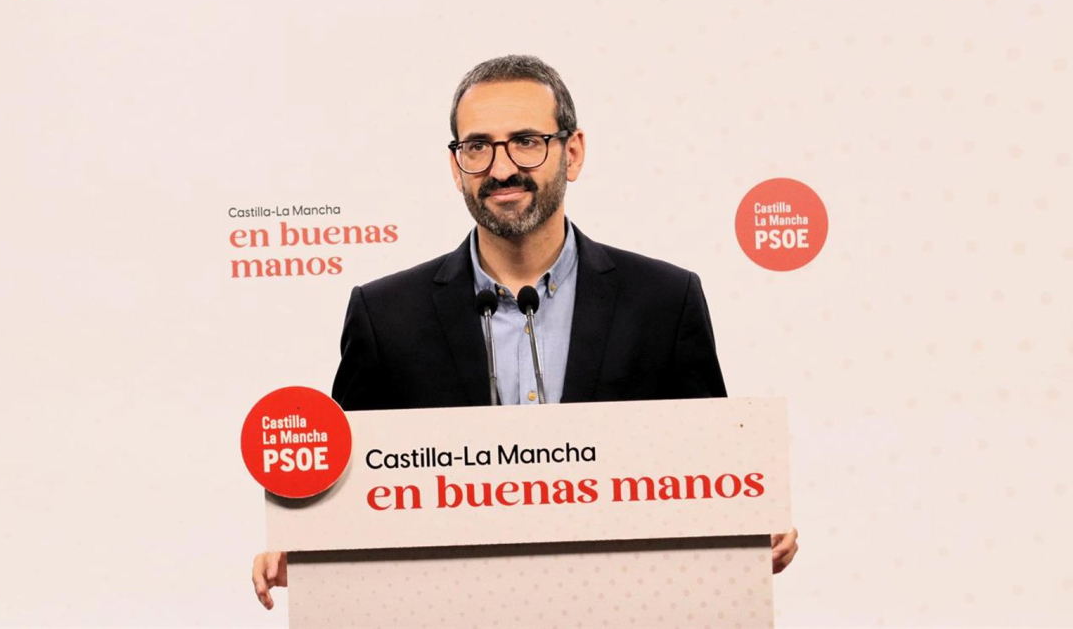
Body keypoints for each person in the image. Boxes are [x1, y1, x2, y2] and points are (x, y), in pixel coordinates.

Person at [252, 55, 798, 609]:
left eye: (527, 142)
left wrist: (752, 520)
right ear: (456, 166)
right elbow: (348, 496)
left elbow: (707, 473)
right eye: (477, 147)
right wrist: (303, 542)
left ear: (573, 152)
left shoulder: (664, 301)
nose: (501, 168)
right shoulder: (385, 316)